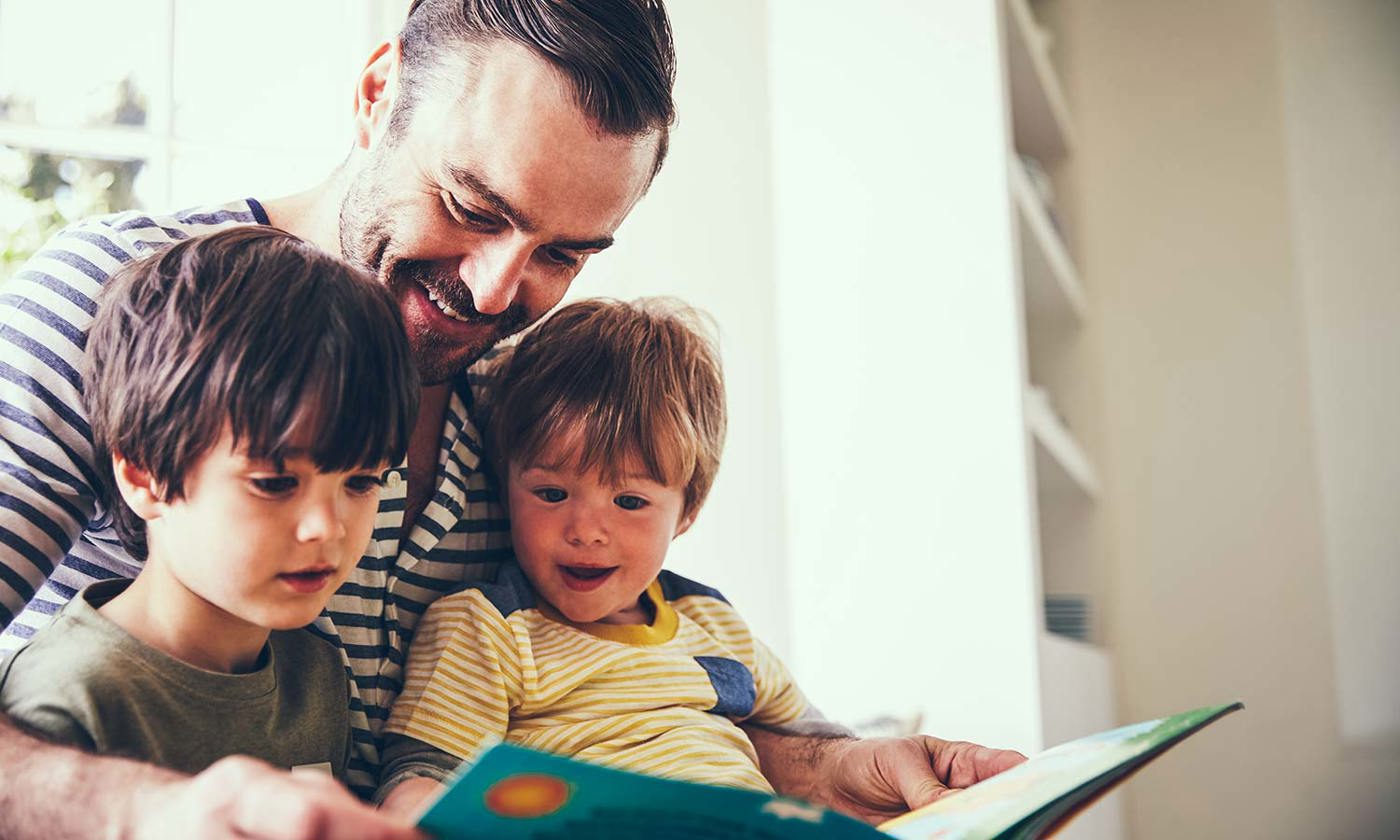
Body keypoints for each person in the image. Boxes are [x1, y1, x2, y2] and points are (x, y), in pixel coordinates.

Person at [0, 1, 1023, 837]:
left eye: (562, 253)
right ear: (376, 95)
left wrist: (831, 768)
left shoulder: (530, 411)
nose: (494, 295)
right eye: (472, 206)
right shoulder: (115, 302)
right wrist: (147, 813)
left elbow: (616, 697)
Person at [1, 226, 416, 782]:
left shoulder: (317, 673)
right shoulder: (64, 702)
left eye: (362, 482)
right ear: (145, 477)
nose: (325, 527)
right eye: (273, 483)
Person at [375, 298, 807, 814]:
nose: (585, 532)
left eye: (629, 502)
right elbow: (421, 779)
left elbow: (812, 738)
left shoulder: (714, 623)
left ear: (687, 509)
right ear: (504, 481)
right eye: (551, 494)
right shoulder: (487, 630)